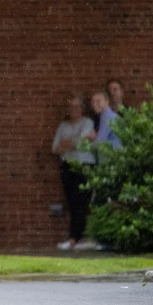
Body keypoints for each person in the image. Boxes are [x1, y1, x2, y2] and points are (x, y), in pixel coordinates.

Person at [52, 94, 97, 250]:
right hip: (67, 167)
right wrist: (72, 142)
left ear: (82, 109)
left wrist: (68, 143)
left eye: (77, 106)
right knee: (71, 202)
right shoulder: (63, 126)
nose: (74, 110)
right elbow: (55, 148)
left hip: (84, 166)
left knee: (82, 202)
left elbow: (81, 141)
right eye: (71, 107)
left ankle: (76, 238)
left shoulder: (88, 122)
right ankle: (74, 238)